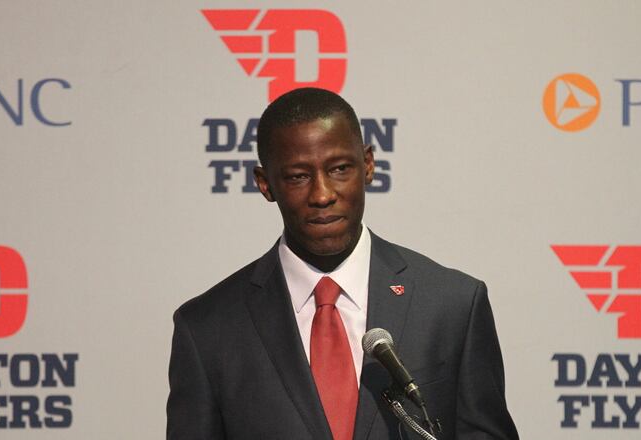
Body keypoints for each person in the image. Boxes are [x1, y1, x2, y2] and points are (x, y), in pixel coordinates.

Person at [167, 87, 519, 439]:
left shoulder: (452, 304)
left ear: (367, 164)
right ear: (265, 183)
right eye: (297, 176)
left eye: (339, 169)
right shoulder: (207, 329)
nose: (322, 194)